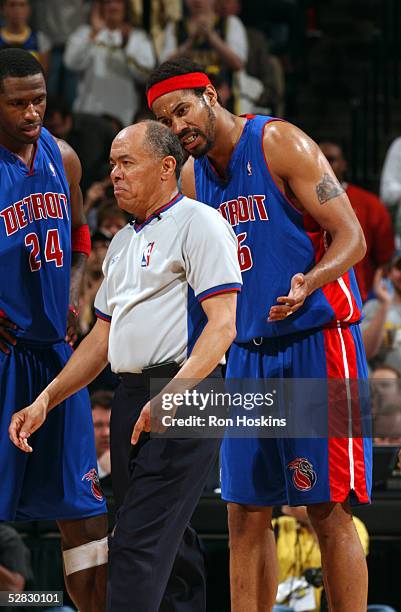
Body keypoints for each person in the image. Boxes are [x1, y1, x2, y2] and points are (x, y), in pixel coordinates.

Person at [147, 58, 371, 612]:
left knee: (328, 509)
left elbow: (353, 237)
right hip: (247, 355)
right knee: (244, 513)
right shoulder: (196, 180)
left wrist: (310, 281)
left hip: (317, 344)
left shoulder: (278, 142)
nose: (178, 127)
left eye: (183, 110)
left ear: (210, 95)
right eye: (165, 121)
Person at [9, 120, 242, 612]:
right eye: (112, 164)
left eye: (125, 163)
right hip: (132, 393)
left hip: (187, 390)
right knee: (170, 545)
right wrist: (47, 398)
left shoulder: (201, 224)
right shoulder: (121, 242)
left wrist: (173, 394)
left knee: (135, 543)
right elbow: (101, 338)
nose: (113, 174)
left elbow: (222, 327)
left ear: (165, 168)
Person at [0, 49, 108, 612]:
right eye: (17, 102)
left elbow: (80, 226)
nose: (31, 112)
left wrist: (77, 288)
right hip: (4, 353)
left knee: (85, 518)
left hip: (56, 357)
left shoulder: (61, 158)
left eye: (38, 99)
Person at [319, 140, 395, 301]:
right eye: (319, 158)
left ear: (344, 164)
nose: (324, 164)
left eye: (331, 159)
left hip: (360, 295)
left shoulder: (369, 204)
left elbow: (385, 257)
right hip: (314, 295)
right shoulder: (297, 203)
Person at [63, 0, 156, 127]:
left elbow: (146, 74)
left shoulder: (137, 37)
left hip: (124, 115)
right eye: (107, 2)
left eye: (118, 2)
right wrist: (94, 33)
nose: (112, 6)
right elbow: (70, 63)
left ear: (126, 7)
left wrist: (126, 45)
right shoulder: (85, 33)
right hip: (88, 113)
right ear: (99, 7)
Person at [362, 252, 401, 371]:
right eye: (399, 268)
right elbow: (364, 352)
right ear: (388, 274)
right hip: (386, 386)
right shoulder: (374, 307)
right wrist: (385, 304)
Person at [0, 0, 51, 73]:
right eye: (12, 5)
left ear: (29, 9)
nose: (17, 10)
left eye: (22, 5)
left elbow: (42, 74)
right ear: (3, 9)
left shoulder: (40, 39)